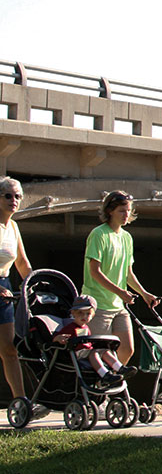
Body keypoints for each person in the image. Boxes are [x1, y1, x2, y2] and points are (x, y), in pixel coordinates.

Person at [81, 190, 160, 369]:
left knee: (127, 349)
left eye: (129, 211)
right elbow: (95, 272)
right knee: (98, 352)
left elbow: (128, 273)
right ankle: (99, 387)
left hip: (118, 305)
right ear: (110, 211)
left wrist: (144, 293)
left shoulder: (126, 237)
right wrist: (122, 292)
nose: (126, 215)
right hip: (97, 305)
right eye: (122, 211)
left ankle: (111, 381)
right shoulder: (99, 234)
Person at [0, 176, 44, 415]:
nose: (13, 200)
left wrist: (36, 283)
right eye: (8, 195)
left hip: (4, 287)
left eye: (17, 196)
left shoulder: (13, 227)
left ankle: (21, 402)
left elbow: (21, 262)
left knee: (9, 348)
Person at [52, 295, 128, 389]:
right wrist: (58, 338)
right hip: (76, 352)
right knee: (94, 353)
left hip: (86, 351)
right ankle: (105, 376)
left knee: (105, 351)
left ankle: (120, 368)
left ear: (92, 315)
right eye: (80, 313)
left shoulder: (86, 327)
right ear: (73, 313)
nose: (84, 316)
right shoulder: (70, 327)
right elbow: (56, 337)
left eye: (88, 314)